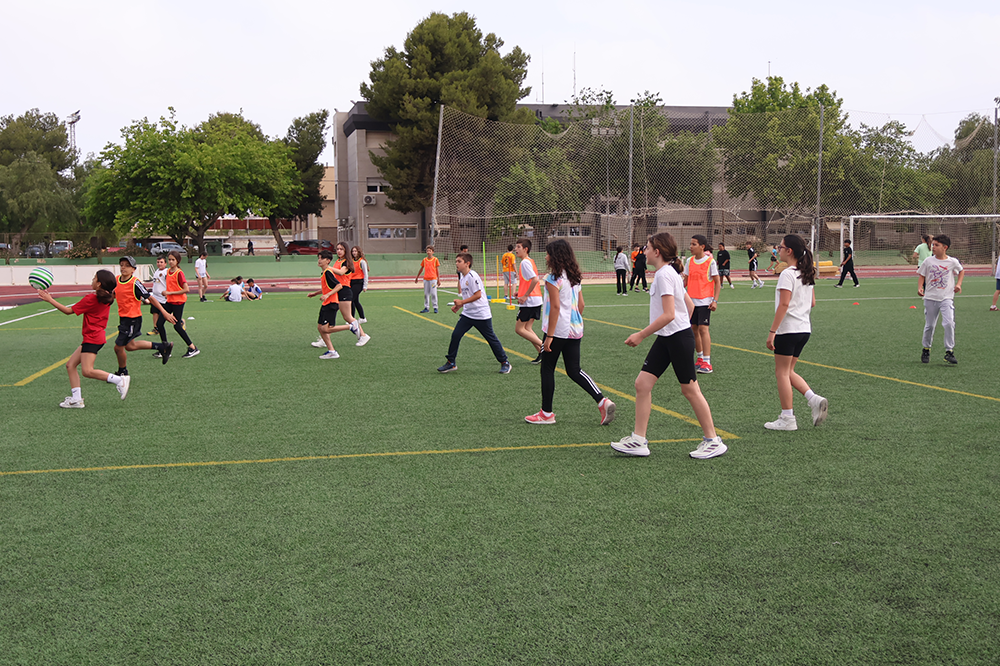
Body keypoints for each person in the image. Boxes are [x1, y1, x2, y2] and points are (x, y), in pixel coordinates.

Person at [610, 232, 727, 460]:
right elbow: (689, 307)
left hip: (676, 339)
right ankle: (638, 440)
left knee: (690, 390)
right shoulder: (669, 273)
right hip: (668, 337)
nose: (644, 251)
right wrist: (680, 328)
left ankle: (713, 441)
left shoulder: (665, 275)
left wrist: (641, 335)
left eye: (647, 247)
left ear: (657, 252)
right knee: (642, 384)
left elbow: (669, 314)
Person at [525, 239, 615, 425]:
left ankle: (546, 414)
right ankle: (602, 401)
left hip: (557, 330)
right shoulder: (574, 276)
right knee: (574, 370)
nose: (546, 257)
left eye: (548, 254)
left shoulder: (552, 279)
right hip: (575, 329)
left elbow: (555, 307)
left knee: (547, 368)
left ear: (556, 256)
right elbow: (581, 304)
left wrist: (549, 336)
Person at [36, 270, 131, 407]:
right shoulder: (106, 297)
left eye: (94, 278)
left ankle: (119, 380)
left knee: (87, 371)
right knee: (70, 365)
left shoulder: (92, 299)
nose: (92, 280)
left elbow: (68, 311)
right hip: (95, 337)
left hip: (93, 338)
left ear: (99, 283)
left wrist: (50, 299)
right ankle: (76, 399)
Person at [764, 234, 828, 431]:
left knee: (781, 373)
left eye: (781, 247)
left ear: (789, 251)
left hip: (788, 330)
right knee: (788, 371)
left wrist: (772, 332)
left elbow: (784, 304)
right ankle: (813, 399)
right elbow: (812, 302)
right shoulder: (806, 272)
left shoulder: (787, 274)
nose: (778, 250)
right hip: (803, 329)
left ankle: (787, 418)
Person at [438, 253, 511, 375]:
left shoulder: (472, 276)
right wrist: (460, 306)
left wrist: (462, 302)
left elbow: (478, 295)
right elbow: (469, 296)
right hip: (468, 314)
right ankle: (451, 362)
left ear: (467, 263)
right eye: (456, 261)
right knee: (456, 335)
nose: (456, 263)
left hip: (481, 314)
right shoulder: (462, 277)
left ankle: (505, 362)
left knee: (491, 338)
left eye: (459, 261)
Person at [112, 255, 176, 376]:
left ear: (133, 269)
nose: (123, 268)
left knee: (118, 347)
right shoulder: (116, 280)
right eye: (122, 265)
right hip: (124, 318)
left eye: (127, 266)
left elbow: (150, 298)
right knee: (130, 346)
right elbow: (114, 294)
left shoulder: (135, 283)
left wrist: (164, 312)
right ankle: (162, 346)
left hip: (132, 319)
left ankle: (122, 372)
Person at [307, 250, 365, 359]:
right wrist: (315, 294)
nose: (319, 260)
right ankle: (332, 351)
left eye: (322, 258)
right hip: (326, 303)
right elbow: (327, 287)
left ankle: (350, 327)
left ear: (328, 261)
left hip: (331, 303)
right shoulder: (324, 272)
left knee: (325, 329)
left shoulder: (328, 272)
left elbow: (339, 286)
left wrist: (327, 295)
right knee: (320, 327)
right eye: (318, 258)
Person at [917, 234, 963, 365]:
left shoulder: (952, 261)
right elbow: (922, 275)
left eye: (936, 245)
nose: (933, 247)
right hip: (931, 298)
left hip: (946, 298)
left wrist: (958, 284)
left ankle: (949, 351)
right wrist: (920, 288)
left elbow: (961, 271)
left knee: (949, 323)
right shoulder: (928, 261)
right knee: (930, 325)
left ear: (945, 247)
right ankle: (926, 349)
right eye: (933, 245)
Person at [683, 235, 721, 374]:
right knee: (694, 329)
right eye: (691, 244)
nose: (691, 247)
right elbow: (685, 281)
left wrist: (715, 300)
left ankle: (707, 362)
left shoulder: (710, 262)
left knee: (703, 329)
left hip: (705, 301)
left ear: (702, 246)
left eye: (694, 244)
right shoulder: (689, 261)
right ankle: (699, 358)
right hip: (691, 302)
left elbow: (717, 282)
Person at [330, 242, 370, 346]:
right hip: (338, 289)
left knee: (348, 316)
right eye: (337, 249)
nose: (339, 251)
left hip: (346, 289)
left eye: (341, 249)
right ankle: (324, 338)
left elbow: (341, 272)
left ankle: (363, 334)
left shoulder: (347, 262)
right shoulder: (338, 261)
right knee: (330, 313)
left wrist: (365, 285)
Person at [163, 250, 200, 358]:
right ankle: (164, 348)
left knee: (177, 326)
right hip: (170, 301)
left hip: (178, 302)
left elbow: (186, 289)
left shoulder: (179, 273)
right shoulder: (168, 271)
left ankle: (193, 347)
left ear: (177, 261)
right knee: (159, 323)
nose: (170, 261)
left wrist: (170, 292)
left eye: (173, 260)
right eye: (169, 259)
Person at [514, 238, 544, 364]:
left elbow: (535, 279)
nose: (516, 249)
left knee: (519, 329)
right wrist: (520, 292)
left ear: (525, 249)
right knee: (527, 328)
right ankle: (542, 354)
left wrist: (525, 295)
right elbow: (528, 281)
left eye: (518, 247)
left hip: (530, 300)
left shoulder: (525, 263)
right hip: (535, 299)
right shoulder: (529, 261)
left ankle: (544, 346)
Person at [147, 255, 169, 336]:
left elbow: (169, 283)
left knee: (165, 314)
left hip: (163, 297)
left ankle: (180, 322)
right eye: (158, 262)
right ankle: (156, 328)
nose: (159, 264)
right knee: (155, 312)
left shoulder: (166, 272)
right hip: (155, 297)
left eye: (161, 262)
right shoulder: (156, 271)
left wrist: (167, 293)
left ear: (165, 263)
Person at [415, 245, 440, 314]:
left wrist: (438, 279)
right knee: (426, 294)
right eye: (427, 251)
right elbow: (421, 268)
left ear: (433, 252)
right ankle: (426, 307)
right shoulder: (424, 260)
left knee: (433, 293)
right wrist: (417, 277)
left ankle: (435, 307)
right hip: (426, 279)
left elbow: (437, 270)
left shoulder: (435, 259)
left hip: (433, 279)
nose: (428, 252)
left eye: (430, 251)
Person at [349, 246, 368, 322]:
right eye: (353, 251)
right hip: (352, 282)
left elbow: (365, 274)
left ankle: (351, 319)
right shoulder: (351, 261)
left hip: (359, 282)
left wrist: (365, 286)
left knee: (351, 299)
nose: (354, 253)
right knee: (356, 301)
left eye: (355, 251)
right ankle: (362, 318)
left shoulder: (362, 262)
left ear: (359, 252)